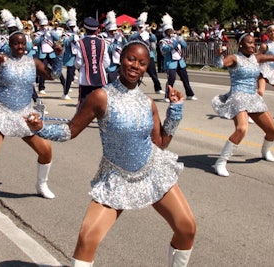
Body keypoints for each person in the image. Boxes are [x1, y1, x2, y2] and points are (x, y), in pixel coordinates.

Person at [25, 40, 196, 267]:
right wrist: (40, 129)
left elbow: (161, 142)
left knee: (187, 228)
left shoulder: (148, 103)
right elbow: (70, 130)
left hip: (152, 171)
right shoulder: (100, 97)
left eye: (142, 62)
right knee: (87, 238)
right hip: (116, 177)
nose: (135, 65)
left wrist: (175, 111)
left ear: (147, 67)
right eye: (131, 59)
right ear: (120, 59)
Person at [0, 31, 64, 213]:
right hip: (1, 112)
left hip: (25, 114)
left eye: (23, 43)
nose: (20, 47)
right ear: (9, 45)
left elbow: (54, 75)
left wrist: (59, 57)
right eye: (16, 44)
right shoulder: (2, 60)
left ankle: (41, 185)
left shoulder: (33, 62)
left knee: (46, 151)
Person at [212, 33, 274, 177]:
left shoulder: (256, 58)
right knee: (242, 129)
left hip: (253, 97)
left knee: (272, 131)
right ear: (241, 45)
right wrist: (218, 55)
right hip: (238, 97)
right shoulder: (234, 58)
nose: (253, 46)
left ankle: (265, 151)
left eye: (254, 43)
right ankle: (220, 162)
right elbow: (219, 64)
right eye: (250, 43)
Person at [74, 17, 110, 110]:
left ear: (85, 29)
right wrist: (99, 67)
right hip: (100, 77)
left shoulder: (80, 43)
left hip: (85, 78)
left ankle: (79, 122)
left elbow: (79, 62)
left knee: (83, 100)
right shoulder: (103, 42)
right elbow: (107, 62)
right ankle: (103, 122)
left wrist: (79, 67)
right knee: (102, 101)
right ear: (96, 30)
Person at [159, 17, 197, 102]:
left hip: (180, 62)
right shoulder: (163, 41)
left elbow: (185, 46)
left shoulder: (176, 38)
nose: (171, 32)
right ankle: (167, 96)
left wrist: (181, 40)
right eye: (168, 31)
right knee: (171, 80)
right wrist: (175, 42)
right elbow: (165, 49)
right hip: (170, 63)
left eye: (171, 30)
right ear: (165, 32)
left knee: (185, 78)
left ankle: (190, 94)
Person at [129, 12, 164, 95]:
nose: (141, 28)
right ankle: (134, 88)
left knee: (153, 74)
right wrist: (140, 32)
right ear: (137, 27)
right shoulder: (135, 34)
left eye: (142, 27)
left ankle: (158, 88)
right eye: (140, 27)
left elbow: (154, 39)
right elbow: (131, 38)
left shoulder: (147, 34)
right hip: (138, 56)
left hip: (149, 56)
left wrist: (150, 32)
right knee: (137, 73)